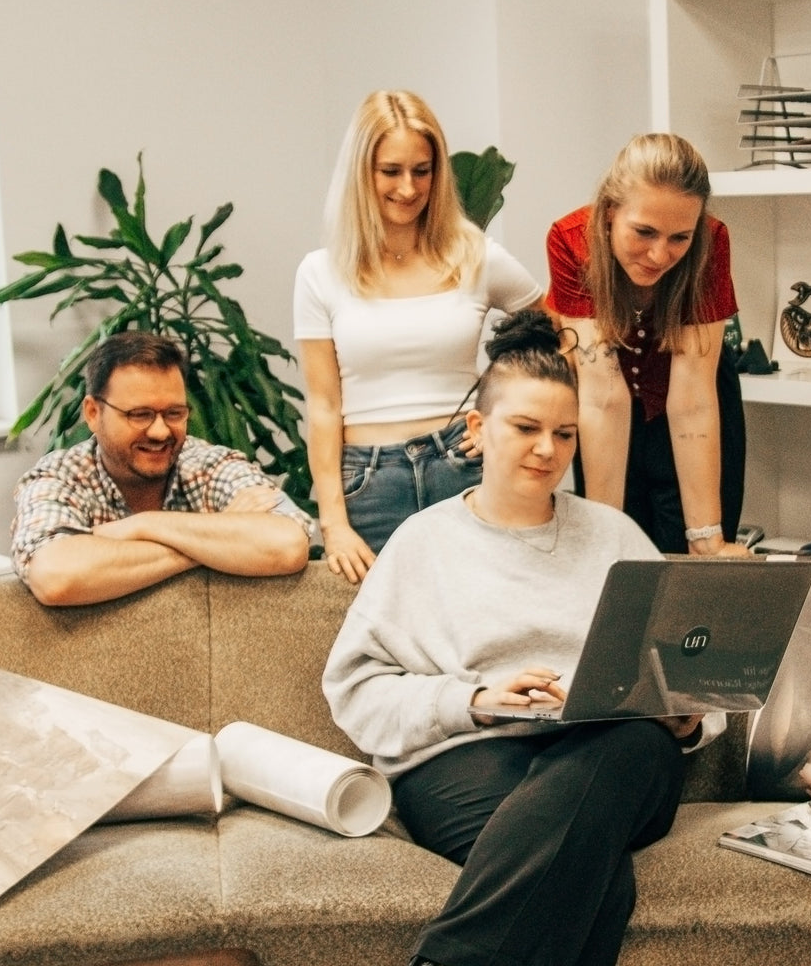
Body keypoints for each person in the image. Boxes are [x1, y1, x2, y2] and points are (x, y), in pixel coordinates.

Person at [323, 309, 723, 966]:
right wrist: (475, 700)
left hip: (617, 755)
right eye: (526, 428)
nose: (548, 450)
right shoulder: (423, 542)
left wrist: (684, 714)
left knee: (630, 746)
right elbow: (356, 692)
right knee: (596, 882)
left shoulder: (615, 536)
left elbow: (686, 671)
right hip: (467, 759)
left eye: (565, 434)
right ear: (477, 429)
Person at [294, 89, 542, 584]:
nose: (408, 188)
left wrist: (504, 414)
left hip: (466, 467)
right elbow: (323, 406)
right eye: (391, 171)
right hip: (370, 485)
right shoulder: (320, 273)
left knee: (489, 615)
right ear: (361, 173)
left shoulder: (475, 255)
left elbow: (554, 336)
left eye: (421, 170)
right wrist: (333, 524)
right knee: (387, 627)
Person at [546, 132, 749, 556]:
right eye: (644, 232)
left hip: (697, 403)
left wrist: (706, 538)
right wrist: (603, 541)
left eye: (679, 238)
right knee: (616, 559)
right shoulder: (571, 240)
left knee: (696, 565)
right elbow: (602, 396)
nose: (659, 255)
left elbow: (693, 397)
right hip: (604, 408)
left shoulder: (712, 241)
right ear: (610, 212)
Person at [9, 331, 312, 606]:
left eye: (174, 413)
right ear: (92, 413)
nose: (160, 431)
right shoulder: (59, 476)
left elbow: (287, 545)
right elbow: (57, 577)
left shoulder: (210, 465)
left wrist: (143, 525)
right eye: (140, 414)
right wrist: (214, 540)